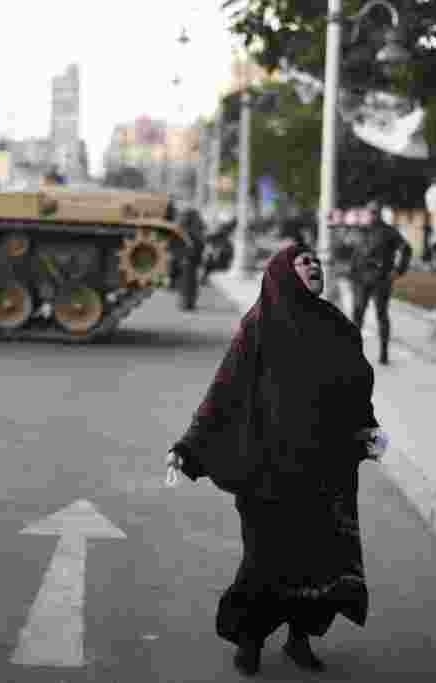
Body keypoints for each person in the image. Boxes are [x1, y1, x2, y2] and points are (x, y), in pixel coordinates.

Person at [165, 243, 384, 676]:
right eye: (304, 262)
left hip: (325, 470)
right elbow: (223, 391)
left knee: (317, 560)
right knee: (265, 560)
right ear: (283, 273)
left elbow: (356, 388)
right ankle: (249, 639)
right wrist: (188, 446)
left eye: (317, 261)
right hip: (268, 470)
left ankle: (299, 640)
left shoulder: (337, 325)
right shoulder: (259, 325)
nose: (315, 266)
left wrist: (369, 429)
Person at [348, 201, 413, 365]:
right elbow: (356, 254)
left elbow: (406, 249)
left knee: (381, 314)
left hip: (381, 279)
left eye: (375, 212)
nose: (372, 215)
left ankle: (384, 353)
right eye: (370, 212)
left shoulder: (389, 232)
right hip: (362, 279)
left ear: (380, 213)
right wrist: (353, 274)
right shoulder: (362, 231)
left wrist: (399, 270)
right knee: (358, 315)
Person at [176, 204, 206, 311]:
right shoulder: (190, 226)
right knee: (188, 280)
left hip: (191, 255)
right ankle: (187, 303)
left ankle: (187, 303)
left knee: (189, 280)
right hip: (189, 255)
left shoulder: (190, 225)